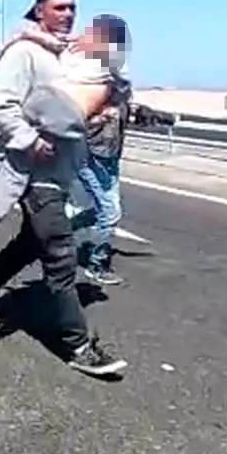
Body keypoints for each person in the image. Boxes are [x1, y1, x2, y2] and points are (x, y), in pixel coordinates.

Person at [0, 0, 127, 376]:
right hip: (34, 172)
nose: (68, 14)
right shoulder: (25, 53)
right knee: (60, 255)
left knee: (29, 243)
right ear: (39, 10)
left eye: (73, 8)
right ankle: (78, 346)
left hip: (61, 171)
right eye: (59, 8)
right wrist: (29, 140)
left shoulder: (66, 56)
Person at [0, 17, 131, 264]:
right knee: (19, 161)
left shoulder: (71, 56)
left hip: (43, 101)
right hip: (65, 114)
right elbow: (115, 91)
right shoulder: (110, 64)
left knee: (9, 153)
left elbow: (30, 41)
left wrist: (39, 37)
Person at [73, 14, 133, 286]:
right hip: (88, 151)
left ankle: (56, 231)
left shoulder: (119, 79)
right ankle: (97, 264)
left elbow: (124, 110)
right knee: (109, 212)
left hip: (109, 153)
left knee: (105, 210)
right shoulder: (91, 71)